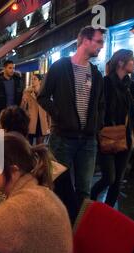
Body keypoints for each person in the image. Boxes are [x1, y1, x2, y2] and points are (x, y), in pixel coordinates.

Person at [37, 26, 106, 208]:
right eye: (98, 41)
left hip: (88, 141)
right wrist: (59, 116)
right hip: (63, 138)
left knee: (84, 189)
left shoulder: (97, 74)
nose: (101, 46)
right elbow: (42, 96)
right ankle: (57, 227)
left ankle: (80, 230)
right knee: (57, 185)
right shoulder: (60, 67)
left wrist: (96, 125)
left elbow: (101, 104)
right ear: (84, 40)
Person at [0, 106, 78, 223]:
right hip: (63, 229)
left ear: (3, 131)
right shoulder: (51, 163)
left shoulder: (8, 168)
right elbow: (73, 213)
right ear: (26, 129)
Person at [91, 49, 134, 207]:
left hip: (125, 138)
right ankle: (89, 204)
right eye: (132, 60)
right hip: (106, 136)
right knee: (109, 177)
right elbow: (97, 109)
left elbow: (133, 113)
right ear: (121, 62)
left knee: (117, 181)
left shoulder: (130, 86)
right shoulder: (105, 83)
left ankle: (107, 213)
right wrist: (97, 131)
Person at [0, 60, 23, 125]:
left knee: (13, 134)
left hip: (16, 116)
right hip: (1, 116)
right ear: (4, 69)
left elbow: (22, 97)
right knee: (1, 135)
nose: (12, 70)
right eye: (10, 68)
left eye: (13, 68)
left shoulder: (18, 82)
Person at [20, 74, 51, 145]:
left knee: (40, 147)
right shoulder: (27, 93)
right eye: (32, 79)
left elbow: (48, 111)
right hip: (30, 123)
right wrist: (24, 99)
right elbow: (22, 109)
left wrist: (49, 125)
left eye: (35, 79)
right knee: (28, 146)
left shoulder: (45, 94)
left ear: (40, 81)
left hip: (42, 124)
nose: (32, 81)